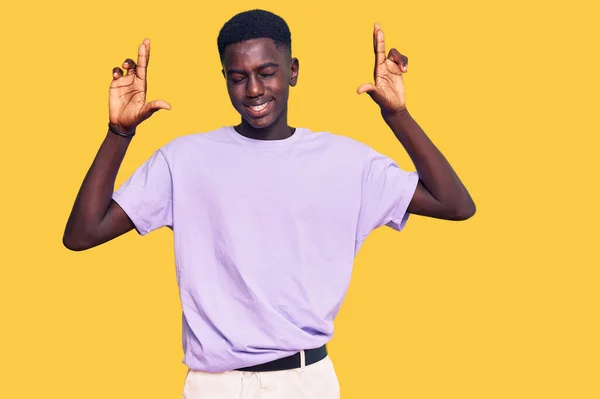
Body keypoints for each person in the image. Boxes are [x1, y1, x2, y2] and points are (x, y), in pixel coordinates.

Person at [63, 8, 475, 399]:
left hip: (305, 381)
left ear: (292, 71)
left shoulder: (346, 161)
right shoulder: (184, 160)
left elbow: (455, 203)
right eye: (238, 77)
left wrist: (397, 115)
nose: (254, 90)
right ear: (224, 77)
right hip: (214, 386)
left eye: (267, 72)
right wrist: (118, 133)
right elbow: (83, 233)